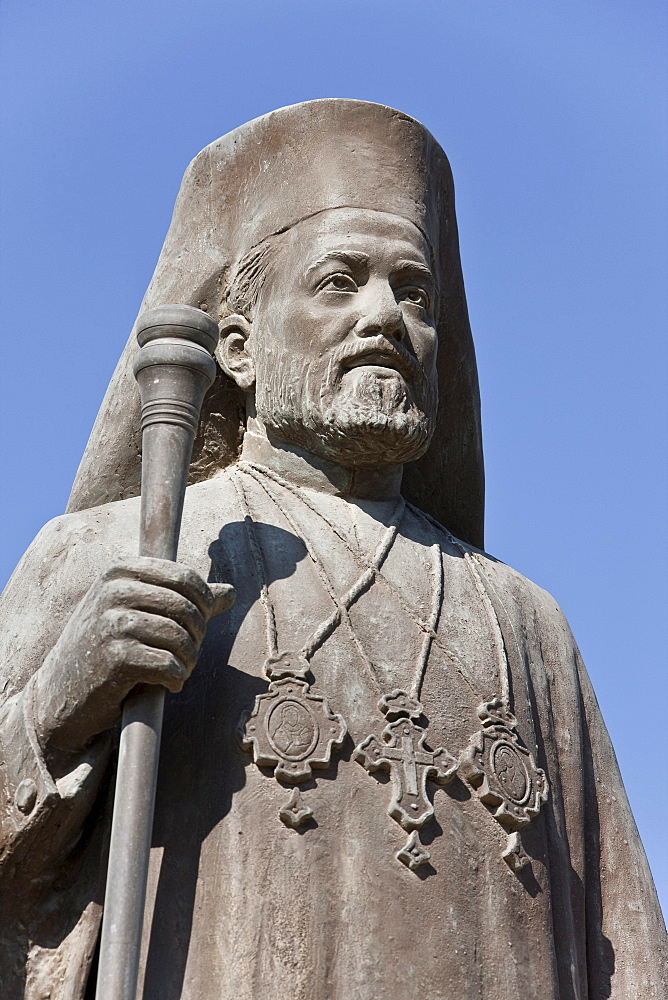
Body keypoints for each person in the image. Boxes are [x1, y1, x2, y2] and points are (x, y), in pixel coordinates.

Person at [0, 100, 665, 1000]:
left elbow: (629, 948)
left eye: (414, 292)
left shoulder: (528, 623)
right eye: (339, 281)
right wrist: (54, 709)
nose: (386, 316)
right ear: (238, 347)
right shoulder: (118, 553)